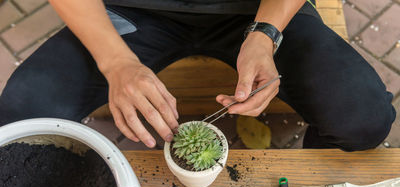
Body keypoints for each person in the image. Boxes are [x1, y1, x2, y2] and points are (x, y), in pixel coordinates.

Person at [0, 0, 395, 151]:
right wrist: (115, 62)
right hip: (132, 10)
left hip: (254, 11)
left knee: (364, 118)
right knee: (20, 118)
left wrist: (267, 33)